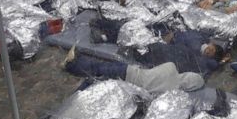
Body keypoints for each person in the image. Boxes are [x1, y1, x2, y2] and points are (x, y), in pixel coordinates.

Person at [63, 47, 204, 93]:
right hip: (129, 85)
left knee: (98, 69)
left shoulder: (171, 67)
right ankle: (76, 69)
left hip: (130, 72)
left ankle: (71, 64)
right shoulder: (172, 92)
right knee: (99, 75)